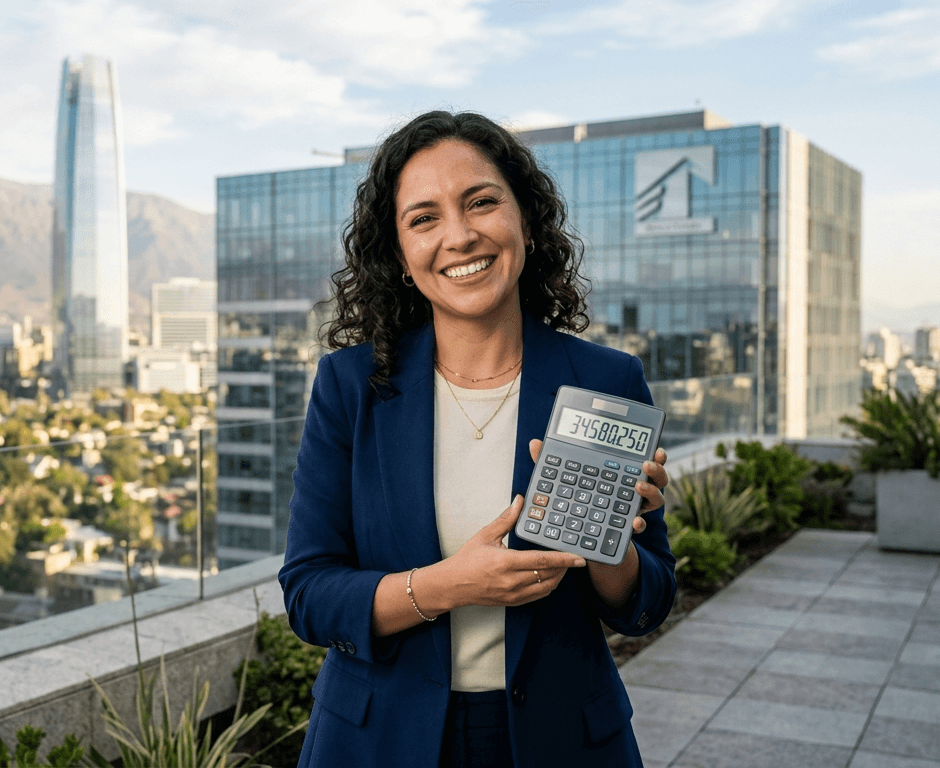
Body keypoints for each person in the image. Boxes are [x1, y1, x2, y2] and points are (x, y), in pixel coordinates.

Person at [278, 110, 676, 768]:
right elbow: (309, 595)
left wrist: (606, 540)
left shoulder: (606, 379)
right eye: (424, 218)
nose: (460, 236)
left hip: (561, 741)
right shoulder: (350, 386)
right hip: (379, 742)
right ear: (401, 255)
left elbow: (646, 604)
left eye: (482, 203)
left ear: (525, 219)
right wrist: (449, 586)